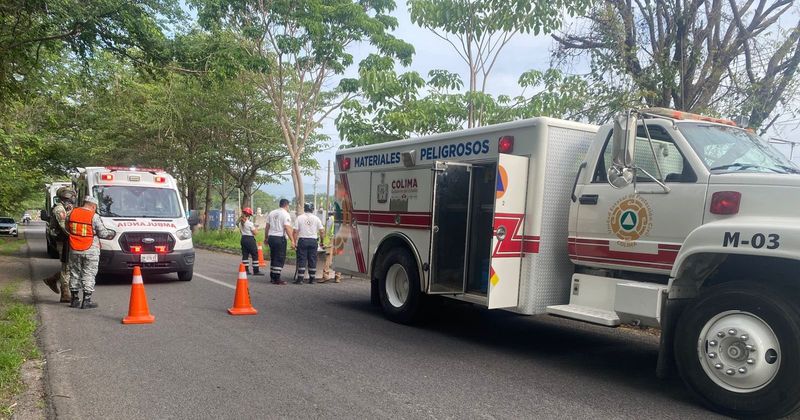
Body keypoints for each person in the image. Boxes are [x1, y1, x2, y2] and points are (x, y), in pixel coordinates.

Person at [66, 196, 110, 309]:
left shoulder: (71, 213)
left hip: (74, 247)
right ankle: (87, 300)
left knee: (74, 272)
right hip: (91, 249)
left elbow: (67, 228)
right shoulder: (94, 216)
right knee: (89, 273)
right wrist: (110, 234)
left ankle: (74, 299)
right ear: (93, 206)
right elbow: (103, 233)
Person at [42, 187, 75, 303]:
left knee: (70, 266)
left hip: (68, 240)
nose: (72, 198)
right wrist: (77, 236)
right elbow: (64, 228)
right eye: (70, 195)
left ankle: (52, 279)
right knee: (67, 266)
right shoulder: (59, 209)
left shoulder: (67, 207)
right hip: (63, 240)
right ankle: (65, 293)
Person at [292, 203, 325, 284]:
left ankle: (300, 279)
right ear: (312, 209)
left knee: (302, 259)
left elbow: (295, 231)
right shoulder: (316, 218)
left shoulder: (299, 218)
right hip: (313, 241)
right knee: (312, 259)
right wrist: (322, 241)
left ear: (304, 209)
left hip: (302, 241)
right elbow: (322, 231)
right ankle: (312, 279)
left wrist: (294, 242)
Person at [265, 199, 293, 285]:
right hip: (279, 238)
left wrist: (266, 238)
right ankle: (277, 278)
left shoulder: (272, 213)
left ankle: (272, 277)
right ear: (286, 205)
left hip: (271, 237)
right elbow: (287, 227)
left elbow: (267, 226)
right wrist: (292, 240)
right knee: (280, 257)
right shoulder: (285, 214)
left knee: (273, 257)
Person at [238, 207, 263, 276]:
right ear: (249, 215)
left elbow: (241, 232)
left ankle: (245, 270)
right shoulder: (249, 223)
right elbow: (255, 233)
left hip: (243, 239)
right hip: (250, 239)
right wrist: (256, 227)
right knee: (255, 254)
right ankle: (256, 271)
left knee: (245, 255)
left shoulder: (240, 223)